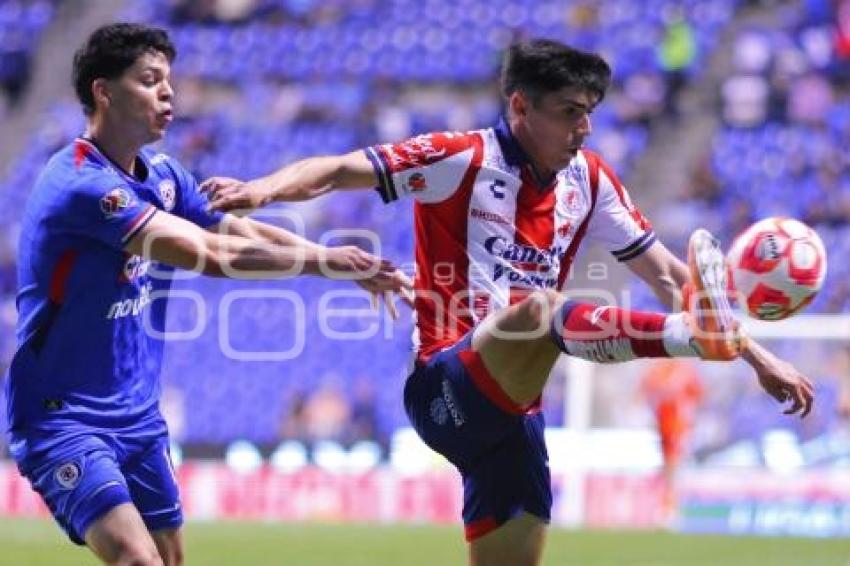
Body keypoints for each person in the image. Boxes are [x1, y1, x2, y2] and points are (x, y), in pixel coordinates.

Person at [202, 39, 814, 566]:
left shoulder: (591, 180)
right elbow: (337, 169)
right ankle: (688, 340)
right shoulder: (458, 158)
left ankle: (695, 338)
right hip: (445, 388)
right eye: (570, 113)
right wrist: (260, 189)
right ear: (520, 106)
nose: (585, 129)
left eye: (590, 113)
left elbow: (673, 276)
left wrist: (758, 357)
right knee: (542, 310)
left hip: (518, 417)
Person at [3, 23, 410, 566]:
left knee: (170, 560)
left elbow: (236, 232)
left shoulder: (165, 175)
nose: (168, 92)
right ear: (103, 91)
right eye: (150, 80)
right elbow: (213, 258)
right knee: (138, 559)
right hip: (64, 416)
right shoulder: (82, 185)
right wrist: (325, 263)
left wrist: (326, 254)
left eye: (169, 79)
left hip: (139, 415)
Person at [640, 359, 704, 525]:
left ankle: (671, 507)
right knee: (668, 467)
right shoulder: (659, 369)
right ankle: (667, 505)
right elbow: (648, 393)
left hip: (678, 426)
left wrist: (691, 420)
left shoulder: (684, 370)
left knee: (673, 466)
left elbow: (696, 397)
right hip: (663, 425)